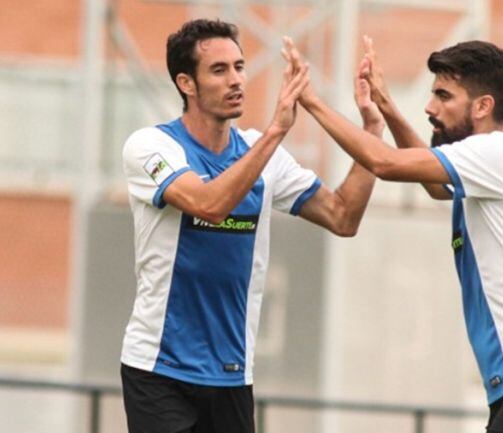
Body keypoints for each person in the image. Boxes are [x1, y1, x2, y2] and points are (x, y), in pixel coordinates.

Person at [285, 37, 503, 433]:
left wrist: (310, 101)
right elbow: (436, 186)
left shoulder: (498, 153)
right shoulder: (489, 165)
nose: (430, 108)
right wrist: (385, 105)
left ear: (483, 106)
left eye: (443, 96)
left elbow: (385, 163)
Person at [120, 19, 383, 433]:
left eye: (239, 67)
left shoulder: (263, 154)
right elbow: (209, 205)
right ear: (186, 83)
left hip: (232, 375)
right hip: (158, 369)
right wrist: (277, 130)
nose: (236, 80)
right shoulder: (151, 147)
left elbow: (343, 216)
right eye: (219, 70)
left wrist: (372, 132)